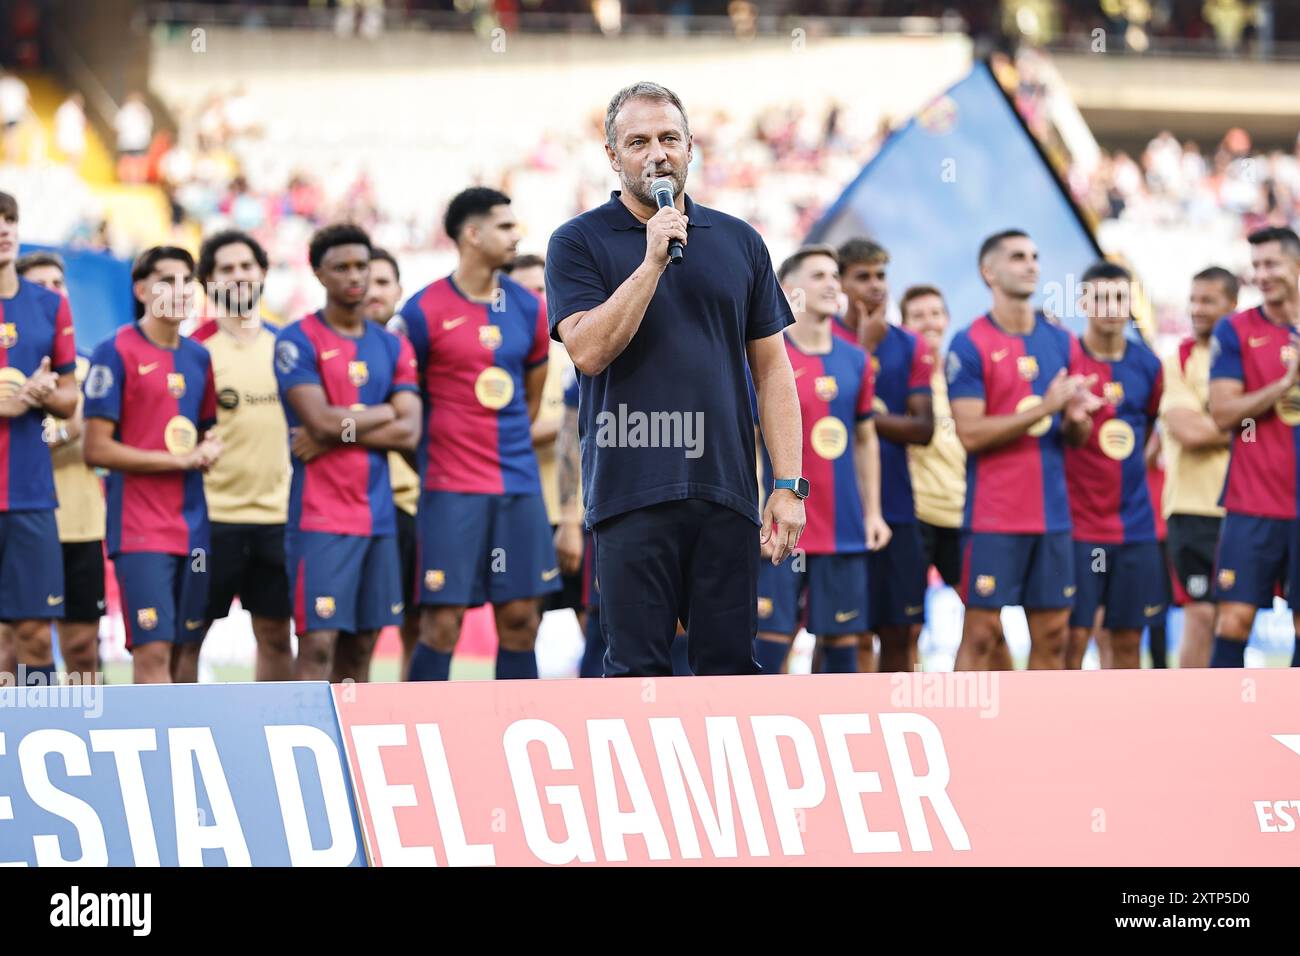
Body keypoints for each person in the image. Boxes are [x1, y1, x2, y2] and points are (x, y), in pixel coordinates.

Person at [545, 81, 805, 677]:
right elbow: (587, 350)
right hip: (630, 490)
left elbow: (773, 371)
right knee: (638, 672)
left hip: (727, 492)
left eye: (669, 138)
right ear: (613, 156)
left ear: (690, 147)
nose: (656, 153)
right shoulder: (577, 242)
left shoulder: (739, 240)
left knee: (731, 668)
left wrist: (789, 484)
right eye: (638, 142)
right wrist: (651, 261)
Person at [395, 188, 559, 681]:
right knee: (442, 623)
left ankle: (515, 735)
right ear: (472, 234)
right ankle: (419, 737)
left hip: (518, 487)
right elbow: (404, 408)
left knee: (520, 620)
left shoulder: (529, 310)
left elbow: (527, 402)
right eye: (505, 227)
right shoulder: (422, 311)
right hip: (451, 492)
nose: (517, 235)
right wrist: (434, 461)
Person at [947, 229, 1101, 671]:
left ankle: (1038, 737)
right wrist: (1047, 408)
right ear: (989, 271)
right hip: (995, 515)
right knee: (979, 633)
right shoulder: (969, 342)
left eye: (1034, 255)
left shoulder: (1061, 339)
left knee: (1054, 634)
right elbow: (971, 434)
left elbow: (1076, 437)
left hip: (1053, 515)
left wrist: (1075, 420)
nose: (1032, 264)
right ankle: (961, 733)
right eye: (1018, 257)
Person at [274, 224, 420, 682]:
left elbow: (410, 432)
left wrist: (343, 426)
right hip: (320, 520)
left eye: (362, 266)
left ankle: (346, 751)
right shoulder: (297, 340)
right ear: (319, 274)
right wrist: (380, 411)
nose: (355, 277)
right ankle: (305, 744)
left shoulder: (393, 345)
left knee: (361, 651)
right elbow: (317, 422)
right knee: (317, 646)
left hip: (378, 518)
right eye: (342, 268)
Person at [83, 246, 222, 684]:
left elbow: (205, 432)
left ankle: (187, 748)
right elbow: (97, 450)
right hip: (141, 532)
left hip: (195, 531)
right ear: (141, 289)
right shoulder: (115, 351)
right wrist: (177, 460)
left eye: (187, 281)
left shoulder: (200, 357)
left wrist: (211, 447)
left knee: (186, 652)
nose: (179, 290)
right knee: (153, 651)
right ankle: (156, 753)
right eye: (166, 280)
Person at [754, 246, 890, 674]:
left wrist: (873, 513)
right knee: (770, 647)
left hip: (843, 526)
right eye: (819, 276)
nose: (833, 283)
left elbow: (865, 439)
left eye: (835, 275)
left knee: (841, 653)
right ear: (789, 289)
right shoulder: (768, 357)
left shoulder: (856, 359)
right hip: (781, 527)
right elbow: (750, 438)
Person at [190, 230, 293, 682]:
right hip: (211, 519)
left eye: (246, 266)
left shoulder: (289, 347)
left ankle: (274, 732)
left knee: (275, 634)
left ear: (263, 273)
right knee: (188, 636)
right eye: (225, 269)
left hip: (278, 517)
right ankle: (179, 731)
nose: (238, 276)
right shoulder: (192, 351)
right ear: (207, 281)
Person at [834, 239, 934, 673]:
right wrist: (863, 349)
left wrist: (862, 420)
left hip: (896, 507)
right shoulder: (820, 339)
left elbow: (923, 428)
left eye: (880, 276)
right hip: (837, 509)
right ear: (841, 283)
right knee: (844, 634)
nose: (875, 286)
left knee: (901, 633)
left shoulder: (910, 344)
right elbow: (825, 420)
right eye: (862, 277)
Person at [900, 284, 1011, 670]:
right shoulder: (901, 380)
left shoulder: (966, 374)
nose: (929, 322)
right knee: (907, 628)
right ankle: (905, 709)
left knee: (990, 626)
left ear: (946, 320)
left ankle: (1005, 710)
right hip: (917, 516)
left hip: (966, 516)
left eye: (935, 313)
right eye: (918, 316)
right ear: (905, 324)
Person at [1062, 262, 1164, 670]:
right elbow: (1062, 436)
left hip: (1134, 528)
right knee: (1070, 640)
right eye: (1101, 298)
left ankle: (1123, 732)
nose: (1110, 307)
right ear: (1083, 302)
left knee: (1126, 643)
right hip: (1075, 526)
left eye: (1119, 297)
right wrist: (1076, 424)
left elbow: (1149, 428)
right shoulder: (1066, 359)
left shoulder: (1148, 366)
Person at [1207, 227, 1300, 668]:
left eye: (1272, 264)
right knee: (1234, 620)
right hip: (1253, 503)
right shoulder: (1236, 330)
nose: (1262, 275)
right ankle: (1216, 729)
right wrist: (1284, 384)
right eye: (1256, 265)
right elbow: (1224, 413)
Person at [0, 193, 80, 686]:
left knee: (33, 633)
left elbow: (69, 398)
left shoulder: (51, 306)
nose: (4, 229)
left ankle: (43, 733)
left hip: (30, 494)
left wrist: (45, 393)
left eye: (9, 220)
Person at [16, 250, 103, 683]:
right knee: (17, 643)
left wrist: (33, 417)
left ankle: (89, 737)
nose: (51, 294)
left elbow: (90, 434)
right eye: (40, 286)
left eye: (58, 284)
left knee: (83, 648)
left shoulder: (91, 368)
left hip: (80, 525)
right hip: (17, 519)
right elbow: (71, 429)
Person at [505, 253, 587, 633]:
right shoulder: (498, 360)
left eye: (541, 288)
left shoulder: (579, 351)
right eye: (523, 290)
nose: (535, 298)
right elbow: (498, 433)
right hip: (524, 511)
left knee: (599, 626)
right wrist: (570, 422)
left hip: (584, 513)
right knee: (521, 624)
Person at [1160, 266, 1236, 668]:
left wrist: (1217, 417)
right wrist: (1245, 421)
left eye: (1208, 300)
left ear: (1232, 304)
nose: (1197, 309)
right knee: (1202, 614)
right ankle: (1189, 717)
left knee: (1235, 618)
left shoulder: (1247, 354)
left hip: (1249, 509)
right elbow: (1188, 432)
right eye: (1193, 299)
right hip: (1192, 510)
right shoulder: (1181, 359)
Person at [362, 246, 421, 678]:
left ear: (399, 290)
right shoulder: (322, 345)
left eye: (383, 281)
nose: (372, 290)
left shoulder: (417, 349)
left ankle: (409, 717)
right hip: (356, 507)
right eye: (365, 279)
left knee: (420, 625)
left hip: (419, 505)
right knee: (359, 629)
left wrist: (348, 423)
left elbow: (413, 430)